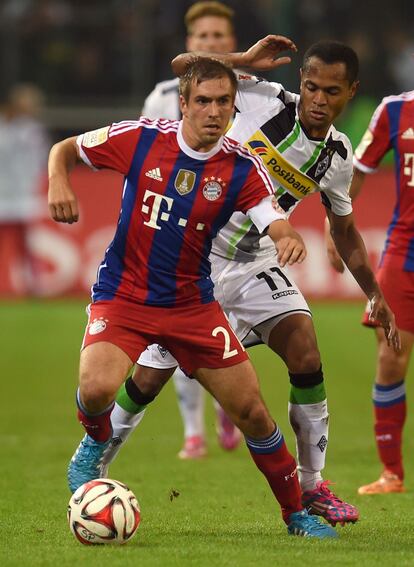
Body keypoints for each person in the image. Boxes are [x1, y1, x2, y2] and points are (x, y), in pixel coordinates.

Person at [102, 36, 400, 527]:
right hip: (195, 263)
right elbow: (185, 66)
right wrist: (240, 62)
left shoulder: (338, 157)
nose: (318, 101)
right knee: (147, 379)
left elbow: (344, 234)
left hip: (258, 263)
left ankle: (312, 486)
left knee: (305, 353)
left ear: (352, 93)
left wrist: (374, 294)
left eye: (331, 91)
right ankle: (95, 464)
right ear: (299, 83)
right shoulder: (260, 99)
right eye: (310, 87)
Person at [49, 57, 339, 538]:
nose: (213, 111)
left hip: (191, 307)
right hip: (124, 296)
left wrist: (287, 234)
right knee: (97, 390)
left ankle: (297, 514)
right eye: (202, 101)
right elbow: (65, 148)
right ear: (183, 104)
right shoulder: (141, 138)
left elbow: (272, 215)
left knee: (254, 414)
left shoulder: (240, 167)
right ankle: (93, 444)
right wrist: (59, 179)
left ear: (232, 106)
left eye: (223, 101)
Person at [141, 0, 241, 459]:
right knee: (175, 333)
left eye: (219, 36)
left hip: (236, 236)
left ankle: (226, 405)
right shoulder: (162, 97)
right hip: (179, 234)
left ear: (233, 43)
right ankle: (192, 432)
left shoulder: (253, 96)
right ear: (188, 44)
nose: (211, 43)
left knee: (229, 333)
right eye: (203, 37)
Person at [326, 89, 414, 494]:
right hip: (406, 247)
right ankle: (391, 473)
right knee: (390, 353)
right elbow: (357, 170)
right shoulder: (394, 110)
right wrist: (335, 226)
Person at [0, 83, 49, 296]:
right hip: (3, 193)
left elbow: (41, 160)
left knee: (25, 245)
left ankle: (33, 286)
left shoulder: (32, 130)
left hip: (23, 194)